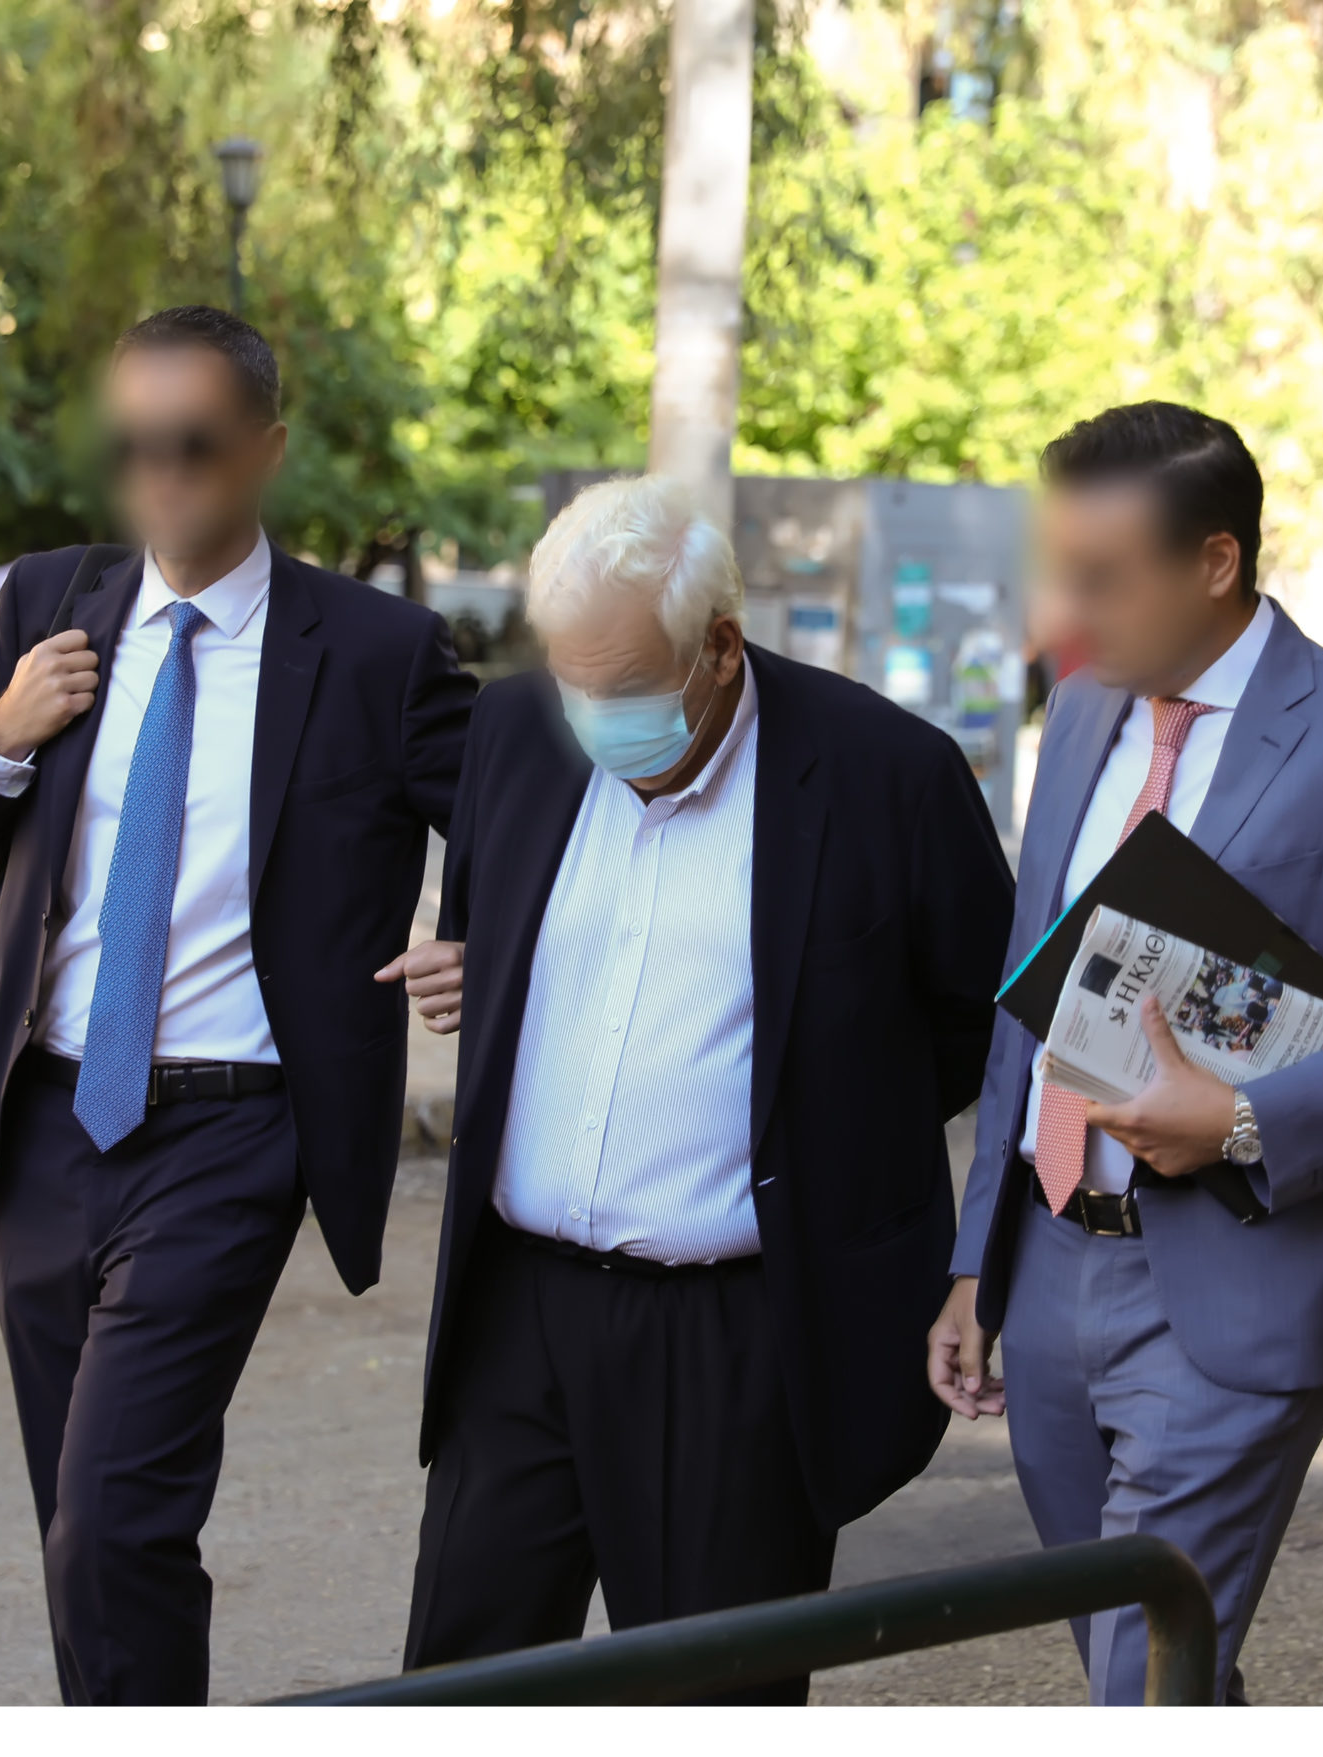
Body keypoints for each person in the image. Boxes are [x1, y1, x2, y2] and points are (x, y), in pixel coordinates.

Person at [0, 305, 476, 1705]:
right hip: (43, 1125)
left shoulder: (376, 651)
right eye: (132, 444)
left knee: (113, 1516)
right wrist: (3, 736)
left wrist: (479, 940)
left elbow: (522, 819)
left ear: (265, 450)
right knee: (75, 1522)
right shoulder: (49, 603)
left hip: (232, 1136)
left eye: (193, 444)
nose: (157, 473)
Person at [929, 403, 1323, 1705]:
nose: (1067, 609)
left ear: (1214, 562)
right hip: (1049, 1258)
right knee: (1152, 1664)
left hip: (1241, 1276)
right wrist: (980, 1258)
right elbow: (1030, 997)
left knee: (1139, 1686)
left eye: (1100, 579)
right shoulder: (1080, 709)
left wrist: (1246, 1118)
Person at [389, 475, 1014, 1702]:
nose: (592, 719)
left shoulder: (887, 775)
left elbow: (985, 1027)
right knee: (456, 1682)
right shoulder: (516, 732)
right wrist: (487, 970)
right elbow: (499, 922)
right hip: (518, 1312)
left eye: (624, 688)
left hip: (735, 1334)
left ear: (720, 646)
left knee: (709, 1694)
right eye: (571, 681)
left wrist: (839, 1123)